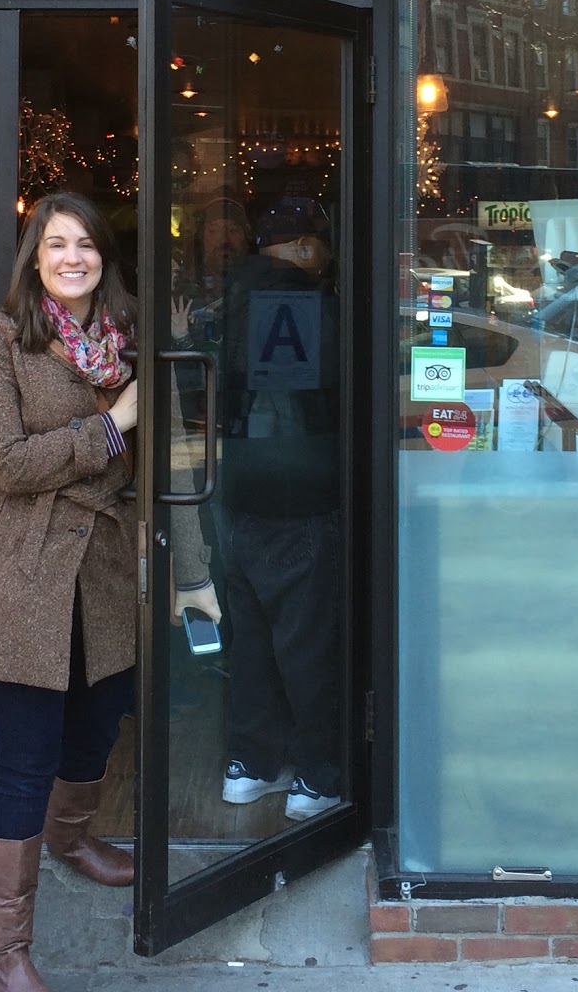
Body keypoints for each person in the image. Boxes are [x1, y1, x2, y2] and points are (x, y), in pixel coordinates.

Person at [0, 191, 139, 992]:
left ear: (104, 256)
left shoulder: (127, 344)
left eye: (87, 245)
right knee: (22, 760)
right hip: (22, 575)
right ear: (34, 258)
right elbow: (5, 463)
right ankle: (6, 954)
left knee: (97, 729)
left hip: (103, 572)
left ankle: (70, 839)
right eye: (57, 244)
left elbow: (162, 471)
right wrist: (110, 426)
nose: (73, 257)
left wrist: (191, 573)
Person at [206, 195, 344, 824]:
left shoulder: (230, 301)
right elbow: (316, 398)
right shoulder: (310, 305)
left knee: (254, 639)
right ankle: (319, 773)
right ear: (309, 247)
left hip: (240, 490)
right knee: (306, 642)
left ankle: (251, 763)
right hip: (301, 489)